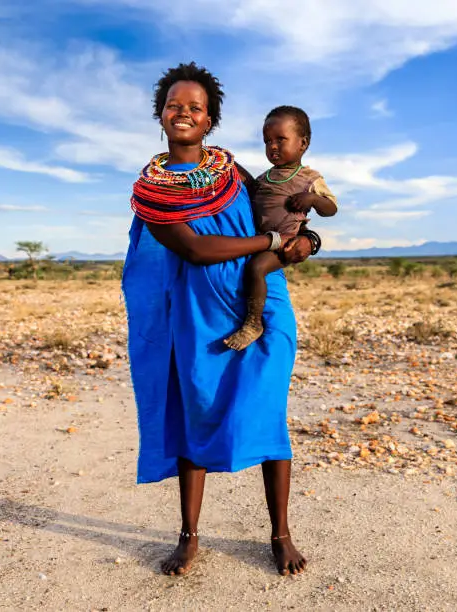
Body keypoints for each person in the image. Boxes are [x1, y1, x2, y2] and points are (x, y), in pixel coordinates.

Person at [123, 62, 318, 577]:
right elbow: (195, 250)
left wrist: (309, 240)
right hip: (197, 316)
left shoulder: (233, 174)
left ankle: (280, 534)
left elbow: (279, 214)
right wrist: (273, 243)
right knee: (197, 413)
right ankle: (189, 537)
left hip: (264, 305)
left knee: (268, 407)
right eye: (174, 105)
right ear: (160, 115)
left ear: (210, 120)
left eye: (195, 107)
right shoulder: (152, 194)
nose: (183, 112)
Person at [223, 106, 337, 351]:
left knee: (256, 268)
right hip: (260, 239)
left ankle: (253, 323)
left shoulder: (309, 178)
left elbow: (331, 208)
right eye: (267, 141)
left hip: (285, 244)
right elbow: (251, 191)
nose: (272, 147)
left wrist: (313, 200)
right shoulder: (265, 178)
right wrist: (235, 168)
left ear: (303, 143)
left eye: (280, 140)